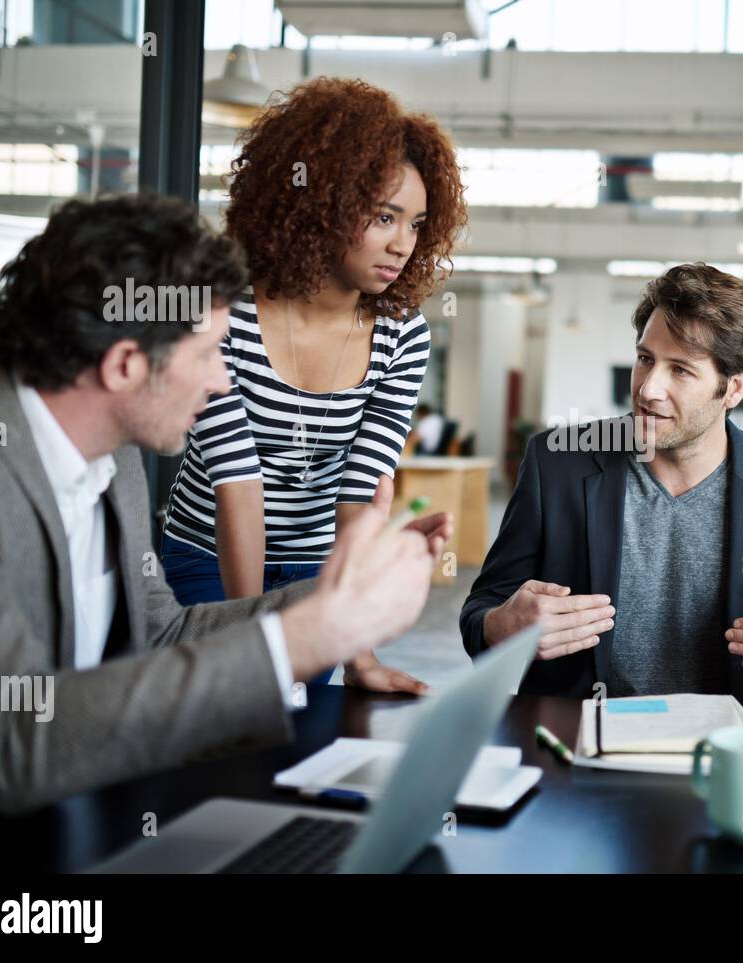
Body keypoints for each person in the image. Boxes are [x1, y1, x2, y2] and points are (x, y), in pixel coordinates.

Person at [0, 194, 450, 827]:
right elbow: (1, 740)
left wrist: (338, 609)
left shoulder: (111, 452)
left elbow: (161, 634)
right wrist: (302, 641)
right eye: (207, 354)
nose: (221, 380)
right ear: (125, 365)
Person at [160, 77, 467, 694]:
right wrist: (258, 647)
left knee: (307, 731)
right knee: (219, 716)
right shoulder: (224, 311)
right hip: (204, 558)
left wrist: (360, 658)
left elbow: (361, 495)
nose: (403, 244)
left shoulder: (402, 335)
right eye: (384, 216)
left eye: (416, 223)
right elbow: (236, 484)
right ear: (322, 202)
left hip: (315, 568)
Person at [460, 263, 743, 705]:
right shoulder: (557, 461)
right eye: (645, 359)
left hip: (731, 749)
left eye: (680, 370)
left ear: (733, 388)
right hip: (579, 738)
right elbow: (482, 611)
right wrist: (501, 626)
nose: (648, 389)